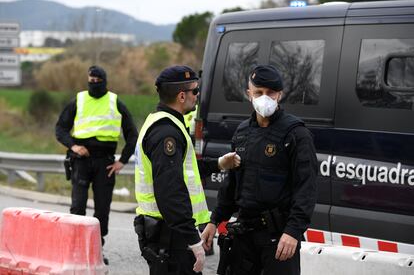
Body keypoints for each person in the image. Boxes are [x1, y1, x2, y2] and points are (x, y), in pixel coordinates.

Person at [201, 65, 318, 275]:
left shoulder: (296, 134)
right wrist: (214, 220)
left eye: (270, 93)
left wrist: (293, 231)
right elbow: (232, 184)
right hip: (244, 235)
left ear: (279, 95)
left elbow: (306, 190)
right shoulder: (242, 132)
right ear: (249, 94)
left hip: (278, 238)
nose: (265, 98)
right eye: (258, 93)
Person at [133, 65, 240, 275]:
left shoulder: (164, 122)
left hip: (168, 232)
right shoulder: (166, 133)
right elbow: (170, 190)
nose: (198, 96)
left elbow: (183, 169)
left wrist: (218, 163)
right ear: (182, 96)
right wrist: (192, 239)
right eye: (195, 91)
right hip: (171, 237)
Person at [55, 65, 138, 264]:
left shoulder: (115, 102)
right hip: (81, 161)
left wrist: (122, 162)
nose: (93, 84)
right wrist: (73, 146)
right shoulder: (79, 100)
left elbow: (132, 135)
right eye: (90, 80)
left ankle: (95, 251)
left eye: (96, 81)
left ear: (104, 81)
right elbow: (61, 128)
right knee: (78, 208)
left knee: (102, 210)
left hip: (105, 163)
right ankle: (76, 251)